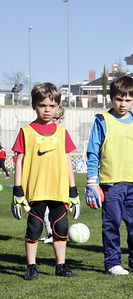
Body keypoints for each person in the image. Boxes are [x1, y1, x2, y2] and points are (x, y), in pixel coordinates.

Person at [11, 82, 81, 281]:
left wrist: (73, 190)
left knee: (61, 227)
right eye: (43, 105)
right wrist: (17, 190)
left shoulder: (62, 133)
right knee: (34, 227)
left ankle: (61, 266)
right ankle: (31, 267)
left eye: (52, 106)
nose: (47, 110)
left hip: (59, 190)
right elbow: (19, 161)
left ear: (58, 106)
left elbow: (68, 161)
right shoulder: (26, 131)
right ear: (34, 105)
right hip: (36, 190)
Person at [85, 75, 133, 275]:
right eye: (118, 99)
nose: (123, 104)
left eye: (127, 100)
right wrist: (92, 181)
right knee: (112, 223)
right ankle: (113, 263)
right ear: (111, 97)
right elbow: (93, 152)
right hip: (110, 183)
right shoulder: (102, 121)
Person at [43, 106, 66, 244]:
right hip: (43, 180)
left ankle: (56, 234)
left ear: (61, 119)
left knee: (57, 212)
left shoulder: (62, 134)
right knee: (43, 211)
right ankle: (50, 233)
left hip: (58, 181)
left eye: (56, 118)